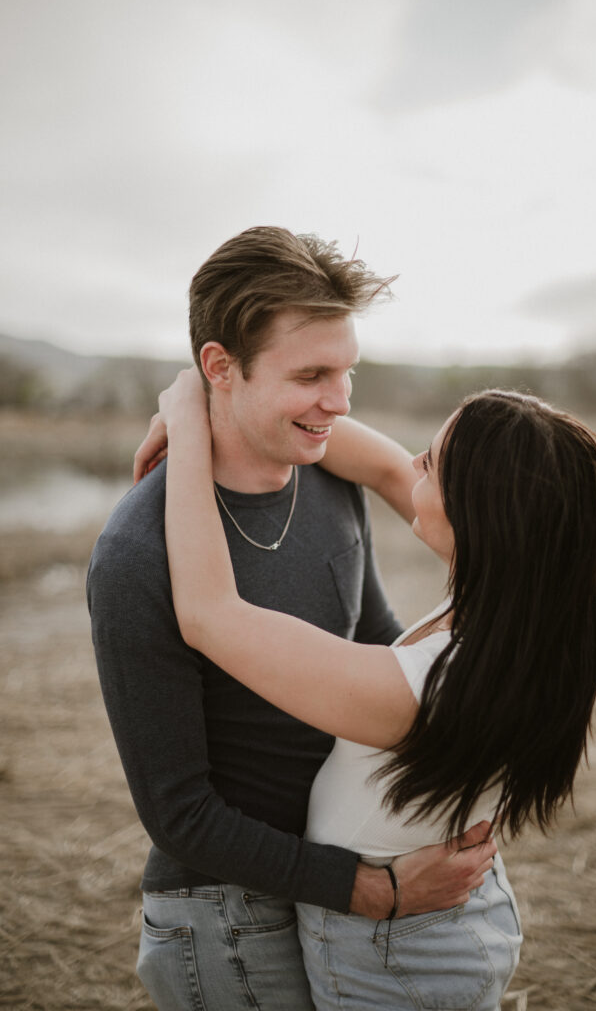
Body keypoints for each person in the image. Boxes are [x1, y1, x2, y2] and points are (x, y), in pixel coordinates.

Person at [87, 226, 497, 1011]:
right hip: (226, 918)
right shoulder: (137, 553)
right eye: (310, 374)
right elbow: (180, 814)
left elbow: (372, 641)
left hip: (336, 887)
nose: (338, 403)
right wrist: (371, 889)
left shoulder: (325, 475)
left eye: (345, 373)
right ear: (220, 368)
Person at [136, 368, 596, 1011]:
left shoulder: (417, 693)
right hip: (444, 931)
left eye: (431, 463)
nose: (408, 462)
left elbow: (207, 614)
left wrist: (191, 421)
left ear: (480, 516)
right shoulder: (530, 613)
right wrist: (235, 403)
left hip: (398, 961)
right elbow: (371, 461)